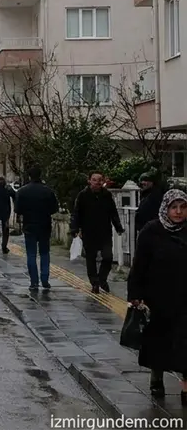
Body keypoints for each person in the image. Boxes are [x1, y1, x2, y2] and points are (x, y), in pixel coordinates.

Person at [127, 189, 187, 400]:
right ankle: (156, 379)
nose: (179, 212)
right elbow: (139, 266)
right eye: (174, 207)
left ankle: (185, 388)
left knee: (184, 343)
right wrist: (135, 294)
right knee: (159, 343)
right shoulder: (151, 231)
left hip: (184, 298)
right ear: (166, 208)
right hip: (158, 298)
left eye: (183, 207)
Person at [70, 171, 125, 293]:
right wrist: (75, 229)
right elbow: (76, 213)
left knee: (108, 257)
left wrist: (118, 227)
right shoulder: (83, 195)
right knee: (91, 258)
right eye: (94, 180)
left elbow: (113, 212)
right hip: (89, 232)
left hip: (104, 231)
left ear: (103, 181)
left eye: (99, 180)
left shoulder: (107, 195)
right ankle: (94, 282)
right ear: (89, 181)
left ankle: (102, 278)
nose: (97, 182)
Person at [14, 166, 60, 291]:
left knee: (31, 254)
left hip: (29, 226)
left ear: (29, 176)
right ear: (41, 175)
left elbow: (17, 209)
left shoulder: (22, 191)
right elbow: (54, 208)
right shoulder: (48, 191)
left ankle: (34, 282)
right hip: (44, 225)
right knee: (45, 253)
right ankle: (45, 279)